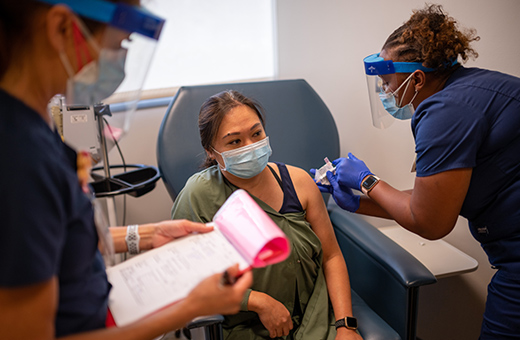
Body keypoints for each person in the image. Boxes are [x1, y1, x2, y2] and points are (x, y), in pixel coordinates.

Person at [0, 1, 252, 339]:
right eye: (118, 45)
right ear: (61, 28)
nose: (120, 62)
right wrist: (190, 307)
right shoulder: (20, 158)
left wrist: (147, 235)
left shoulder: (31, 126)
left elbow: (53, 241)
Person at [315, 4, 520, 340]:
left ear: (418, 78)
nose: (385, 92)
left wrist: (367, 181)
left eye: (387, 82)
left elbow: (431, 222)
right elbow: (431, 200)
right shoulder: (472, 89)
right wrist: (357, 202)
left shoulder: (445, 111)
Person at [171, 90, 363, 340]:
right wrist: (256, 301)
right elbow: (186, 275)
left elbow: (332, 257)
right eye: (235, 142)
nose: (251, 147)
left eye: (256, 133)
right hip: (248, 327)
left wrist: (345, 326)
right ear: (211, 151)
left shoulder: (298, 182)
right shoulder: (198, 196)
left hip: (317, 315)